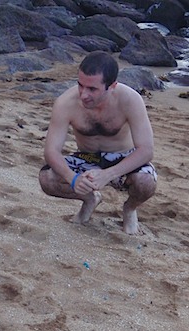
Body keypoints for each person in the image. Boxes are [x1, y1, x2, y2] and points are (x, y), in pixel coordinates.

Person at [39, 51, 157, 235]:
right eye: (80, 85)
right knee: (47, 178)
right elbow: (51, 151)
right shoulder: (65, 103)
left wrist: (108, 174)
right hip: (87, 157)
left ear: (112, 86)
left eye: (92, 89)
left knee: (146, 183)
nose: (84, 95)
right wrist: (74, 179)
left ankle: (130, 209)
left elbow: (146, 150)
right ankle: (90, 199)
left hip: (122, 157)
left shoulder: (131, 100)